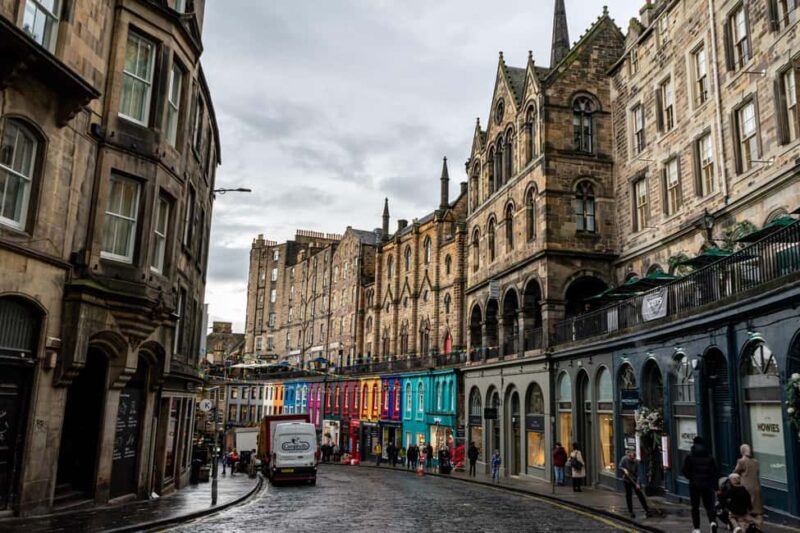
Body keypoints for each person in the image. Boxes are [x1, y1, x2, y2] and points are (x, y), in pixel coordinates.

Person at [682, 436, 719, 533]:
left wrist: (691, 478)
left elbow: (685, 471)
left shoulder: (690, 456)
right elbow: (715, 472)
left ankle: (697, 528)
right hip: (707, 485)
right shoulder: (709, 457)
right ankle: (712, 522)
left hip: (694, 485)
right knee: (709, 506)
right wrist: (715, 487)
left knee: (695, 507)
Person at [733, 444, 763, 527]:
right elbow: (757, 473)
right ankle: (758, 526)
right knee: (757, 510)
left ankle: (747, 526)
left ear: (741, 452)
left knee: (745, 511)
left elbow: (735, 473)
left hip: (746, 489)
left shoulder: (741, 462)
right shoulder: (756, 462)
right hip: (756, 488)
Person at [619, 448, 650, 519]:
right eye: (631, 457)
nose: (632, 459)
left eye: (633, 458)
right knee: (628, 495)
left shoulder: (636, 462)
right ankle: (631, 512)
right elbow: (620, 466)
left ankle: (647, 510)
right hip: (627, 480)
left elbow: (639, 474)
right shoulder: (624, 459)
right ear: (628, 456)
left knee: (640, 495)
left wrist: (638, 484)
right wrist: (624, 469)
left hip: (635, 480)